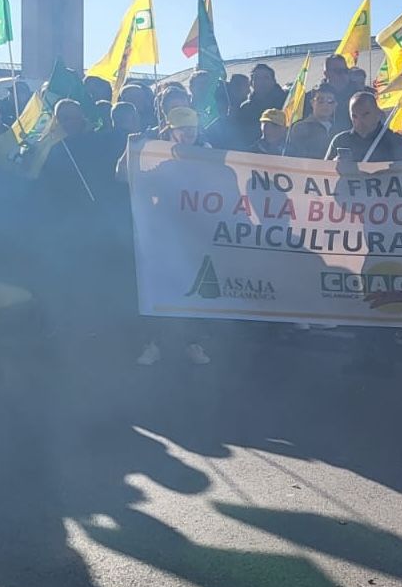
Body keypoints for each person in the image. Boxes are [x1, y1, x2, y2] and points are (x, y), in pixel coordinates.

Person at [116, 106, 212, 367]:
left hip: (195, 234)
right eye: (182, 130)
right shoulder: (162, 164)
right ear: (171, 131)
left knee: (195, 290)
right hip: (163, 234)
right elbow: (125, 176)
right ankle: (153, 342)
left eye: (192, 129)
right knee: (156, 288)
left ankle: (193, 342)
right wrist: (131, 148)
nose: (188, 135)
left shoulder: (209, 159)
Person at [326, 92, 402, 162]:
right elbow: (322, 175)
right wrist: (334, 165)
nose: (360, 121)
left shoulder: (395, 142)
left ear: (378, 114)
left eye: (365, 115)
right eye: (355, 116)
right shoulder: (340, 141)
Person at [235, 63, 287, 144]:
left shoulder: (286, 102)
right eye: (257, 78)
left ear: (274, 81)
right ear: (251, 84)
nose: (261, 81)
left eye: (266, 77)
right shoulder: (245, 108)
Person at [286, 89, 337, 159]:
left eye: (330, 101)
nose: (325, 105)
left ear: (335, 105)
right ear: (312, 102)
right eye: (320, 101)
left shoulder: (339, 129)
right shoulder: (300, 127)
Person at [319, 54, 356, 128]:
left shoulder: (357, 96)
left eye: (345, 70)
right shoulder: (315, 97)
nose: (343, 74)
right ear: (326, 74)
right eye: (338, 71)